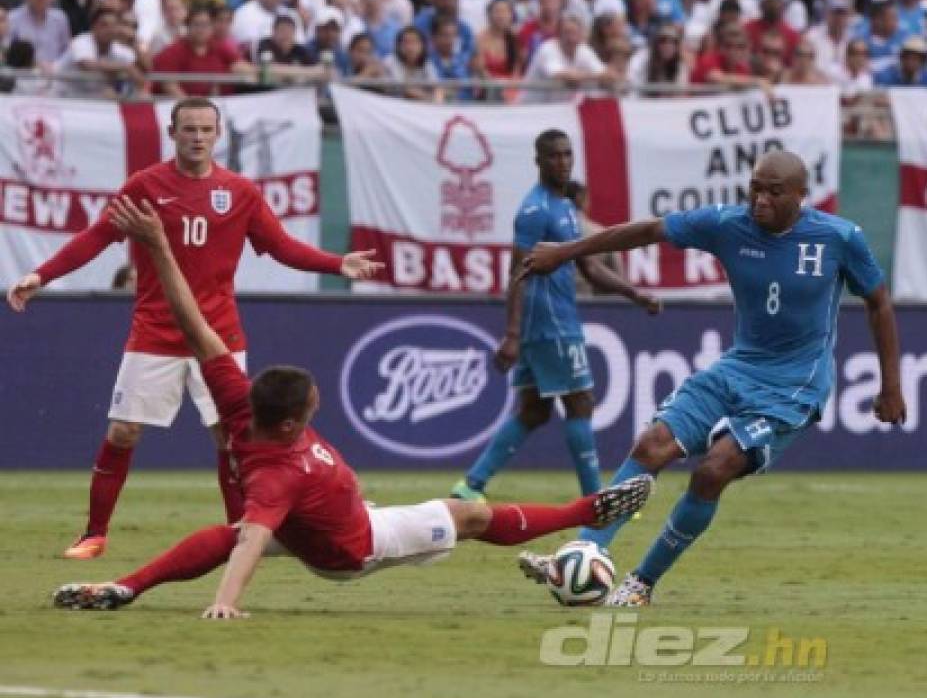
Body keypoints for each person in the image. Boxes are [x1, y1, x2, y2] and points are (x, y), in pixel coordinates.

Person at [54, 194, 653, 616]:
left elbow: (196, 327)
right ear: (292, 423)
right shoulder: (278, 474)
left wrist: (158, 245)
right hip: (357, 545)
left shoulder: (241, 403)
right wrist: (225, 604)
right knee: (465, 515)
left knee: (229, 530)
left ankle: (126, 587)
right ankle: (586, 513)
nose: (319, 399)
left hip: (321, 520)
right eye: (312, 402)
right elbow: (258, 539)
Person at [517, 150, 906, 607]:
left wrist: (891, 386)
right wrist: (565, 251)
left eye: (774, 192)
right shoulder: (727, 224)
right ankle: (583, 552)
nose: (760, 200)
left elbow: (879, 302)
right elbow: (647, 230)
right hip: (737, 368)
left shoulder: (839, 238)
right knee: (651, 446)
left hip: (793, 388)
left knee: (712, 471)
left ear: (802, 196)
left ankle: (642, 583)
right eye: (755, 188)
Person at [6, 97, 383, 561]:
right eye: (189, 129)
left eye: (206, 129)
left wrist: (336, 262)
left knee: (230, 437)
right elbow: (96, 237)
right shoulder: (145, 186)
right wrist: (40, 275)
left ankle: (238, 532)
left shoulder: (239, 191)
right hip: (155, 333)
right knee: (123, 432)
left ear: (218, 134)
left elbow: (280, 246)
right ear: (173, 132)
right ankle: (95, 534)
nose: (198, 137)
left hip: (219, 337)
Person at [450, 130, 659, 503]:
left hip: (555, 321)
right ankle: (595, 501)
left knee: (533, 412)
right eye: (554, 156)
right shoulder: (535, 210)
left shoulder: (565, 208)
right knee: (580, 403)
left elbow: (590, 269)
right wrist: (511, 334)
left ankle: (471, 486)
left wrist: (634, 293)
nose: (562, 162)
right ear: (539, 161)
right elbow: (518, 272)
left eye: (567, 155)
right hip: (550, 323)